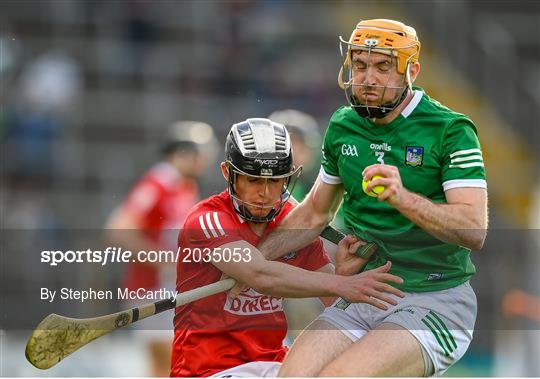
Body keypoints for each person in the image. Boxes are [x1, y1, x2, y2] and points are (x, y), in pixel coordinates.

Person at [255, 19, 489, 377]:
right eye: (360, 66)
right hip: (364, 291)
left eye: (383, 67)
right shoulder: (343, 125)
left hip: (436, 300)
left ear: (411, 70)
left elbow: (474, 230)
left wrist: (403, 198)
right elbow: (314, 215)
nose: (368, 78)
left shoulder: (451, 131)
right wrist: (252, 260)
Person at [170, 118, 405, 377]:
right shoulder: (207, 220)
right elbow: (259, 274)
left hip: (274, 365)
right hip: (210, 370)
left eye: (275, 181)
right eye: (253, 180)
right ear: (228, 173)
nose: (265, 194)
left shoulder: (291, 222)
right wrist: (342, 284)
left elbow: (331, 297)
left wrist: (343, 275)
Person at [106, 120, 218, 377]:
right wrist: (166, 262)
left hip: (169, 290)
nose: (205, 161)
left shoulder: (183, 186)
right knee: (176, 365)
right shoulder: (159, 181)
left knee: (168, 368)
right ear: (183, 152)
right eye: (201, 154)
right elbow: (119, 229)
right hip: (152, 289)